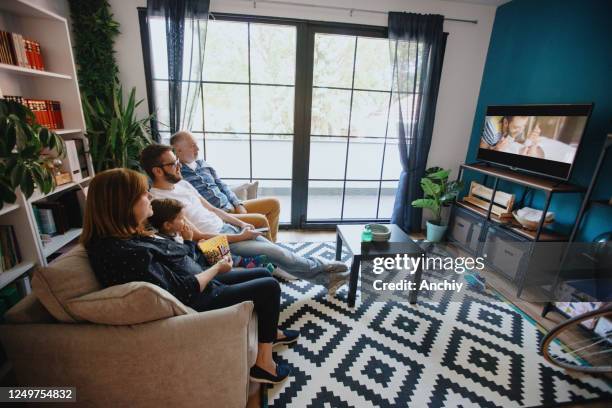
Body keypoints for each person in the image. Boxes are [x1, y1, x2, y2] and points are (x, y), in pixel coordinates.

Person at [81, 168, 298, 384]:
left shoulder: (132, 234)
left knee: (260, 272)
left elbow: (180, 257)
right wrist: (217, 267)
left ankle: (270, 331)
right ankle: (263, 365)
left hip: (202, 277)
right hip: (201, 295)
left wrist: (188, 241)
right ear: (124, 203)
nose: (149, 198)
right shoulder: (127, 252)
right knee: (269, 286)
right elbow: (181, 290)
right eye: (143, 194)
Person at [139, 144, 349, 295]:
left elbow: (212, 208)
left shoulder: (182, 184)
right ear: (158, 170)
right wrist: (240, 236)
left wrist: (240, 224)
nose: (179, 166)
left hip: (225, 228)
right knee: (273, 251)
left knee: (277, 252)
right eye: (173, 163)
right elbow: (198, 236)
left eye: (177, 161)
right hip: (212, 244)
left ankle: (325, 279)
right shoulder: (160, 201)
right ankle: (322, 267)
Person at [171, 131, 281, 242]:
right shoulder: (177, 175)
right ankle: (272, 251)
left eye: (196, 145)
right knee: (260, 220)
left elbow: (222, 185)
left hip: (230, 206)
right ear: (179, 150)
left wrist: (238, 203)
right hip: (218, 216)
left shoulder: (203, 164)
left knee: (274, 203)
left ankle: (272, 243)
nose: (198, 149)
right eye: (192, 146)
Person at [148, 198, 275, 273]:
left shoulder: (175, 232)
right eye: (181, 219)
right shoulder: (169, 242)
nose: (185, 221)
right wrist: (189, 241)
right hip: (199, 266)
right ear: (167, 225)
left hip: (199, 255)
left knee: (210, 244)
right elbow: (188, 261)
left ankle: (245, 262)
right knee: (209, 245)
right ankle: (244, 263)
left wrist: (196, 243)